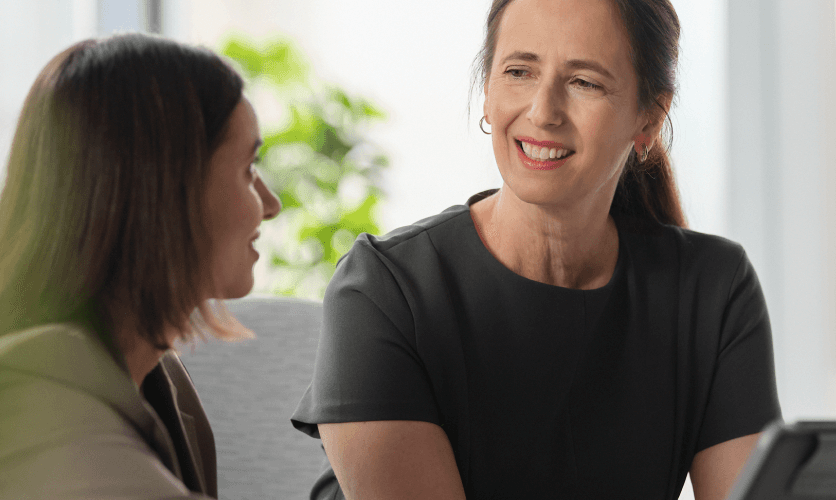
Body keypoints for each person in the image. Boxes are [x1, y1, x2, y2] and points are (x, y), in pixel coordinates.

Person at [289, 0, 780, 498]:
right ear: (487, 92)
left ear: (649, 118)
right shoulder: (384, 291)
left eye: (584, 82)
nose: (543, 112)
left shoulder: (713, 289)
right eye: (519, 71)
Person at [0, 33, 281, 499]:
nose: (271, 204)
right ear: (164, 190)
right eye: (248, 169)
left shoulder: (160, 382)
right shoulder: (26, 392)